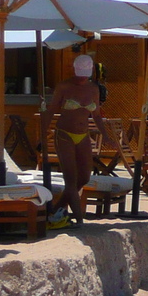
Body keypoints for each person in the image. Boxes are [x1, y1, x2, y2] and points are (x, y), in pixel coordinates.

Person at [43, 54, 101, 224]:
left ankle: (57, 209)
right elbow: (51, 110)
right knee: (71, 179)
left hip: (83, 134)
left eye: (85, 73)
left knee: (84, 177)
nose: (82, 77)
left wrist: (106, 135)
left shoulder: (93, 89)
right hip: (64, 134)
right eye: (80, 73)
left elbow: (96, 115)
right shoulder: (64, 86)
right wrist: (42, 134)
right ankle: (79, 220)